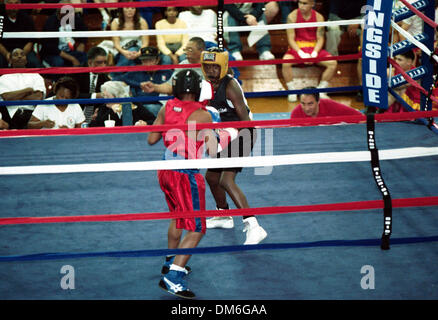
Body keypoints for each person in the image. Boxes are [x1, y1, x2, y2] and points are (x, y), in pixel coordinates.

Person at [147, 69, 217, 299]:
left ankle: (170, 260)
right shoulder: (202, 114)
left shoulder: (166, 107)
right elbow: (214, 151)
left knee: (177, 215)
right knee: (198, 227)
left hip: (165, 170)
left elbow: (151, 139)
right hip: (185, 173)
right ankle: (173, 277)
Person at [200, 47, 268, 245]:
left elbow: (245, 120)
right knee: (212, 177)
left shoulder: (230, 86)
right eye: (207, 66)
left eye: (215, 66)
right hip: (225, 135)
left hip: (243, 132)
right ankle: (223, 216)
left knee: (226, 180)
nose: (211, 70)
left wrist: (231, 142)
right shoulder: (207, 85)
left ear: (223, 66)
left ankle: (253, 225)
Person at [282, 0, 337, 102]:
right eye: (300, 3)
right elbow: (290, 38)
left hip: (313, 48)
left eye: (305, 3)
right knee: (285, 62)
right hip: (297, 48)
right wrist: (300, 53)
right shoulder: (292, 16)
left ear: (312, 4)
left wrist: (315, 53)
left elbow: (320, 38)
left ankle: (321, 91)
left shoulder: (319, 17)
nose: (302, 6)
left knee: (332, 63)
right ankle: (292, 91)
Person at [112, 46, 172, 121]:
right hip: (141, 106)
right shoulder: (137, 72)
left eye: (150, 60)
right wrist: (138, 84)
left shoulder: (166, 72)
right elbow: (117, 78)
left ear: (157, 60)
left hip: (161, 105)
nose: (147, 64)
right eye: (144, 61)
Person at [0, 48, 46, 129]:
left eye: (22, 54)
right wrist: (28, 90)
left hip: (32, 115)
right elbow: (7, 97)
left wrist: (15, 97)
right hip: (9, 116)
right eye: (15, 55)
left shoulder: (36, 76)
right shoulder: (3, 78)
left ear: (26, 60)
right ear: (10, 60)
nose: (19, 56)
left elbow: (38, 97)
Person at [40, 0, 88, 68]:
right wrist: (72, 59)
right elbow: (51, 48)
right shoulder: (51, 23)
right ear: (60, 13)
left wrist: (82, 43)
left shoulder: (74, 18)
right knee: (59, 62)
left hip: (70, 51)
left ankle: (80, 77)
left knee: (85, 57)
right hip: (54, 53)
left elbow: (84, 30)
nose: (72, 14)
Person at [73, 46, 111, 124]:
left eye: (105, 62)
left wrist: (100, 110)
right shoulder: (76, 73)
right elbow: (72, 95)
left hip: (94, 120)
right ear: (90, 63)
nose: (103, 66)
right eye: (99, 62)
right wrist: (95, 96)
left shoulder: (105, 79)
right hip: (74, 117)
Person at [0, 0, 43, 68]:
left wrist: (21, 54)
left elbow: (31, 40)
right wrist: (7, 54)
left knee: (35, 63)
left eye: (16, 3)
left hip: (24, 50)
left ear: (20, 4)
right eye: (10, 3)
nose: (13, 6)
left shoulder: (26, 18)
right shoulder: (1, 18)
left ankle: (36, 78)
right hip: (5, 50)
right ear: (4, 4)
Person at [111, 0, 149, 67]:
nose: (130, 10)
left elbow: (145, 43)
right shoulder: (115, 22)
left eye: (132, 8)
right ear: (122, 9)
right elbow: (116, 44)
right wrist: (125, 52)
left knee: (133, 49)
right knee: (130, 59)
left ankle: (114, 74)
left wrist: (138, 53)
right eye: (127, 8)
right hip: (121, 52)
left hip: (139, 52)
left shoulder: (142, 22)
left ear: (136, 10)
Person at [290, 88, 363, 118]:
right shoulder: (296, 113)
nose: (306, 108)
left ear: (318, 101)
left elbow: (360, 117)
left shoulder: (331, 105)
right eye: (303, 103)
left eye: (310, 104)